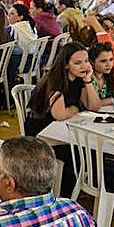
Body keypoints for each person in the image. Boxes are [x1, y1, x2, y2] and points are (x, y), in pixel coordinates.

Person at [25, 41, 103, 195]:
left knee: (91, 151)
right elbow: (59, 115)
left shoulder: (79, 79)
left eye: (86, 61)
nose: (84, 66)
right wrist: (74, 108)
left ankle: (81, 188)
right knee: (77, 156)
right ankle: (64, 195)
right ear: (66, 65)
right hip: (42, 133)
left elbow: (94, 106)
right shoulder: (56, 82)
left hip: (62, 129)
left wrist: (88, 81)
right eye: (78, 63)